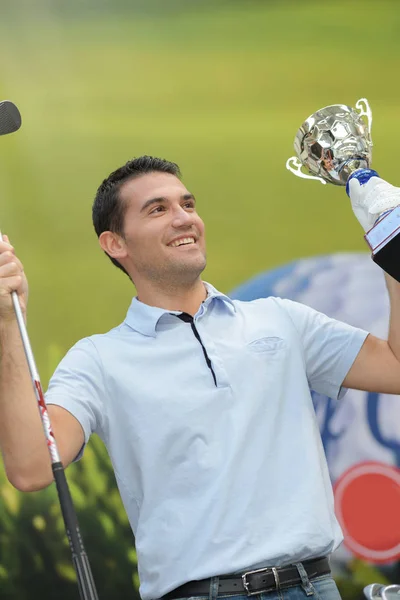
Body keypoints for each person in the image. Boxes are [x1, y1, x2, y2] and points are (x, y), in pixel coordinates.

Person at [0, 156, 399, 600]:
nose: (183, 218)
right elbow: (33, 466)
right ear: (115, 243)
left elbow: (395, 367)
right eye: (158, 209)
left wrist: (393, 250)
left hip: (312, 587)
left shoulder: (279, 319)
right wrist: (6, 324)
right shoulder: (97, 360)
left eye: (187, 204)